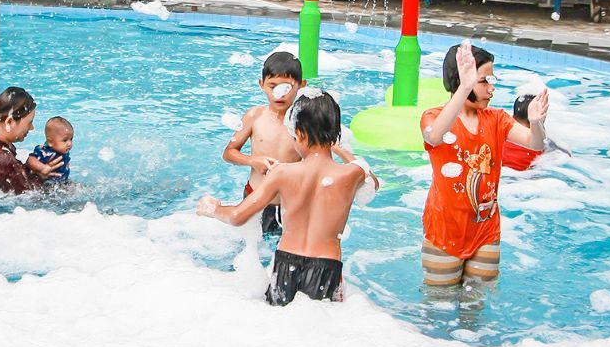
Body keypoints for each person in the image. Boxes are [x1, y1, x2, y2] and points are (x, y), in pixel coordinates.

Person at [199, 89, 379, 306]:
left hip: (286, 264)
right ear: (335, 135)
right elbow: (371, 180)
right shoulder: (351, 174)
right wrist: (340, 149)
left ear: (300, 134)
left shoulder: (283, 173)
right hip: (326, 267)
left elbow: (238, 216)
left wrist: (214, 209)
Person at [419, 42, 549, 286]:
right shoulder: (434, 116)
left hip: (485, 229)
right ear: (461, 81)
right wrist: (465, 87)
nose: (491, 88)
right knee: (439, 305)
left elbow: (536, 144)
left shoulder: (497, 119)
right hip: (444, 230)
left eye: (492, 80)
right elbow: (434, 136)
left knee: (475, 304)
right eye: (484, 81)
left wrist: (536, 123)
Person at [222, 51, 307, 235]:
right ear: (262, 85)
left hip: (290, 203)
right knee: (248, 251)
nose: (279, 94)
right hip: (254, 197)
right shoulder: (255, 117)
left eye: (287, 87)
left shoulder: (305, 123)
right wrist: (252, 160)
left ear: (301, 85)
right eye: (272, 86)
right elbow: (229, 152)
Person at [0, 87, 65, 194]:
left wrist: (31, 167)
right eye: (29, 122)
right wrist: (41, 176)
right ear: (9, 121)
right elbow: (29, 197)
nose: (31, 127)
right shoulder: (0, 159)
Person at [503, 93, 572, 171]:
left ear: (512, 116)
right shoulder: (543, 142)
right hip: (526, 179)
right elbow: (566, 155)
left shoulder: (498, 135)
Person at [26, 116, 74, 185]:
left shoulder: (63, 152)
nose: (69, 144)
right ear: (50, 142)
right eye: (65, 140)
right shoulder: (45, 152)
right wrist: (42, 168)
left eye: (71, 139)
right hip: (47, 184)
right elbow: (30, 160)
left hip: (62, 182)